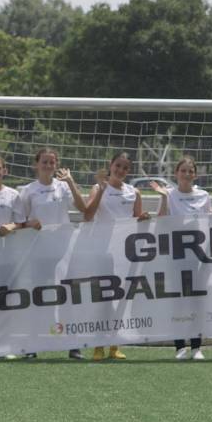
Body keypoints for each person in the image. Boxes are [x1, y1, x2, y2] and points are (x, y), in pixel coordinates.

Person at [19, 147, 88, 359]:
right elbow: (20, 221)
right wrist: (30, 223)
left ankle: (73, 345)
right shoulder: (28, 190)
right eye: (44, 162)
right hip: (39, 252)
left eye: (52, 162)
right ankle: (33, 345)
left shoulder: (63, 187)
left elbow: (82, 207)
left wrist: (70, 182)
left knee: (66, 296)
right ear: (36, 164)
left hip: (63, 251)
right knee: (39, 297)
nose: (48, 166)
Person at [83, 151, 150, 361]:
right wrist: (101, 191)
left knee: (121, 298)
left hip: (125, 252)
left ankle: (114, 344)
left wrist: (144, 217)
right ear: (110, 165)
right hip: (102, 251)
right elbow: (87, 214)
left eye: (125, 168)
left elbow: (137, 217)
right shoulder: (98, 188)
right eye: (118, 166)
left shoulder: (134, 192)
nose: (120, 170)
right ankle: (97, 345)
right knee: (102, 299)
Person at [151, 156, 212, 360]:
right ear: (176, 173)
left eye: (190, 171)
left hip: (198, 257)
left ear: (195, 174)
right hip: (175, 256)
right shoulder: (168, 194)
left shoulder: (204, 195)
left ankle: (196, 347)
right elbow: (159, 221)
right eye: (183, 170)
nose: (186, 174)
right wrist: (162, 198)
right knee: (177, 302)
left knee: (196, 302)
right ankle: (179, 348)